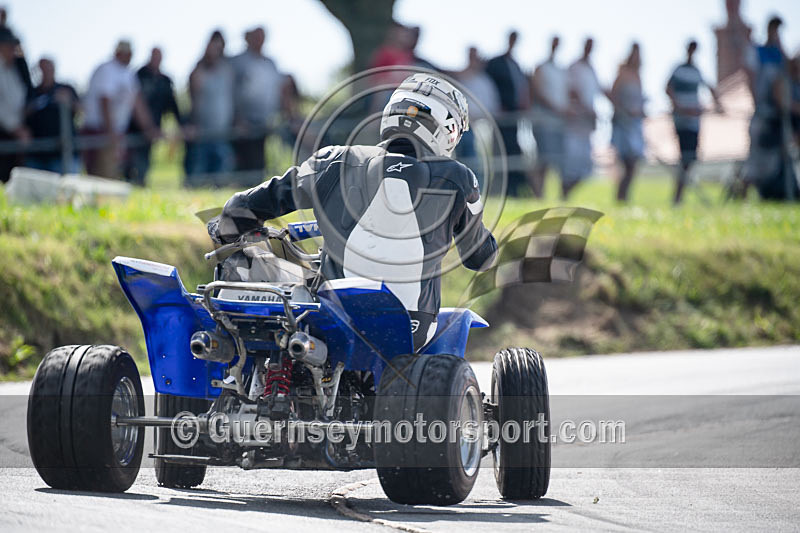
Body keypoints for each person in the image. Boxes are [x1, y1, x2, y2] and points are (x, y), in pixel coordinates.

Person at [207, 73, 498, 351]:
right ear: (448, 130)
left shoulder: (333, 160)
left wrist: (223, 227)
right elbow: (480, 259)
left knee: (250, 266)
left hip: (333, 319)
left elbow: (248, 205)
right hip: (413, 329)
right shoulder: (459, 178)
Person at [82, 40, 157, 178]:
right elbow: (104, 101)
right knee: (99, 175)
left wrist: (149, 128)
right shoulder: (106, 70)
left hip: (117, 132)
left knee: (115, 173)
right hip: (100, 130)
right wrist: (111, 132)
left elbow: (137, 104)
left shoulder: (128, 74)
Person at [743, 16, 796, 199]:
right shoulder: (757, 51)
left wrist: (780, 45)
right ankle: (743, 195)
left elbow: (790, 69)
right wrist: (756, 103)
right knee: (755, 159)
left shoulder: (779, 53)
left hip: (777, 114)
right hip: (762, 112)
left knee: (779, 154)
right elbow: (750, 77)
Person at [666, 40, 723, 204]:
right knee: (685, 158)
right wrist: (681, 108)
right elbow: (668, 89)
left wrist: (718, 104)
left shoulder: (697, 71)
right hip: (682, 121)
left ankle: (679, 196)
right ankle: (677, 197)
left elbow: (710, 88)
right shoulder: (679, 69)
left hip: (695, 122)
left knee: (690, 159)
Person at [231, 27, 283, 185]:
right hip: (242, 123)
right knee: (244, 163)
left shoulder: (270, 63)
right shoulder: (237, 62)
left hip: (264, 122)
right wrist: (237, 117)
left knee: (259, 163)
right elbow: (231, 91)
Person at [125, 47, 183, 185]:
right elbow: (133, 103)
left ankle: (140, 183)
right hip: (134, 131)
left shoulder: (165, 81)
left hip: (152, 132)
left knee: (143, 164)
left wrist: (181, 126)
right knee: (130, 164)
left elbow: (172, 106)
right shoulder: (138, 76)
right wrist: (146, 126)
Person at [186, 30, 235, 185]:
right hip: (201, 135)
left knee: (221, 180)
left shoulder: (227, 70)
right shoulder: (198, 71)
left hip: (222, 134)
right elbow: (193, 99)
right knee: (197, 179)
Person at [486, 31, 529, 196]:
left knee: (514, 152)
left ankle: (514, 190)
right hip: (501, 118)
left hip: (515, 118)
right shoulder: (496, 63)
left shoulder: (516, 64)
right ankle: (500, 190)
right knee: (501, 153)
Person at [562, 37, 603, 199]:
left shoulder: (592, 69)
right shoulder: (574, 67)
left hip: (587, 125)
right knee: (571, 165)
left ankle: (566, 194)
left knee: (586, 167)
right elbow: (572, 91)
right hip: (574, 124)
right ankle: (564, 195)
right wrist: (586, 109)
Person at [25, 57, 80, 173]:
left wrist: (68, 101)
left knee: (66, 188)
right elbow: (22, 114)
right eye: (42, 68)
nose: (46, 71)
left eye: (49, 68)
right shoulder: (31, 92)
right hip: (37, 154)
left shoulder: (66, 88)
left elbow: (81, 109)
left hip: (63, 153)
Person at [529, 36, 568, 198]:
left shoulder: (561, 70)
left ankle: (551, 196)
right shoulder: (541, 67)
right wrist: (556, 108)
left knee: (556, 161)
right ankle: (539, 195)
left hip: (558, 122)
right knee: (543, 160)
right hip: (543, 120)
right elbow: (537, 91)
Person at [610, 43, 646, 202]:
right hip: (623, 124)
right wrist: (624, 111)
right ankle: (620, 197)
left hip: (636, 124)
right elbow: (613, 97)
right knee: (626, 163)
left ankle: (624, 197)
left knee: (634, 164)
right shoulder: (622, 75)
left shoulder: (638, 76)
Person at [456, 46, 500, 165]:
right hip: (466, 127)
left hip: (484, 126)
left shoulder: (485, 81)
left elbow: (493, 104)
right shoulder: (461, 78)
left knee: (481, 162)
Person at [0, 26, 28, 182]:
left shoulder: (12, 70)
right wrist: (15, 128)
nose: (13, 50)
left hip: (12, 136)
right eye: (10, 45)